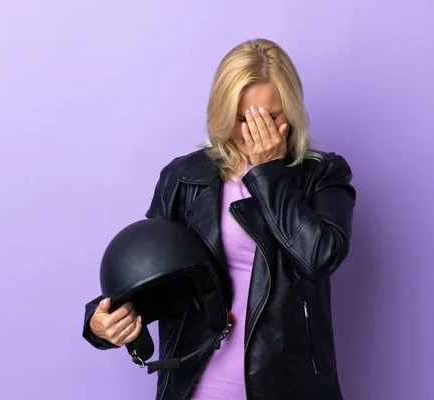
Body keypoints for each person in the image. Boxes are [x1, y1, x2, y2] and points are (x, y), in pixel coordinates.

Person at [82, 38, 356, 400]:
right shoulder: (183, 177)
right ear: (224, 112)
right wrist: (103, 320)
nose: (254, 133)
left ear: (291, 112)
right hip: (198, 387)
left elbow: (319, 258)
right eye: (243, 118)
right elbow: (152, 277)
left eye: (270, 117)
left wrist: (269, 172)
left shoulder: (323, 174)